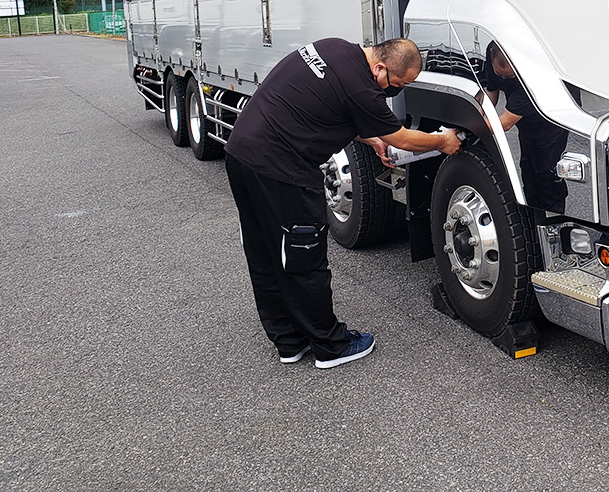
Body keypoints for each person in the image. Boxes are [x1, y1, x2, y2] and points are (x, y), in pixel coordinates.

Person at [224, 37, 461, 369]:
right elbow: (404, 138)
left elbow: (328, 104)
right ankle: (330, 345)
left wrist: (371, 137)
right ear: (380, 68)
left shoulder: (336, 49)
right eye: (398, 84)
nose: (395, 90)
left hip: (242, 154)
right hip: (281, 167)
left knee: (264, 251)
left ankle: (289, 341)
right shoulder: (361, 87)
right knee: (304, 255)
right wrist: (442, 141)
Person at [483, 42, 568, 214]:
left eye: (509, 77)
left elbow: (505, 122)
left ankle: (555, 221)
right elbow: (491, 90)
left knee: (546, 173)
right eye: (501, 75)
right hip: (525, 122)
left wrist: (470, 130)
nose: (504, 79)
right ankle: (533, 218)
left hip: (551, 121)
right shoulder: (492, 50)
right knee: (528, 170)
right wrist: (476, 116)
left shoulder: (532, 78)